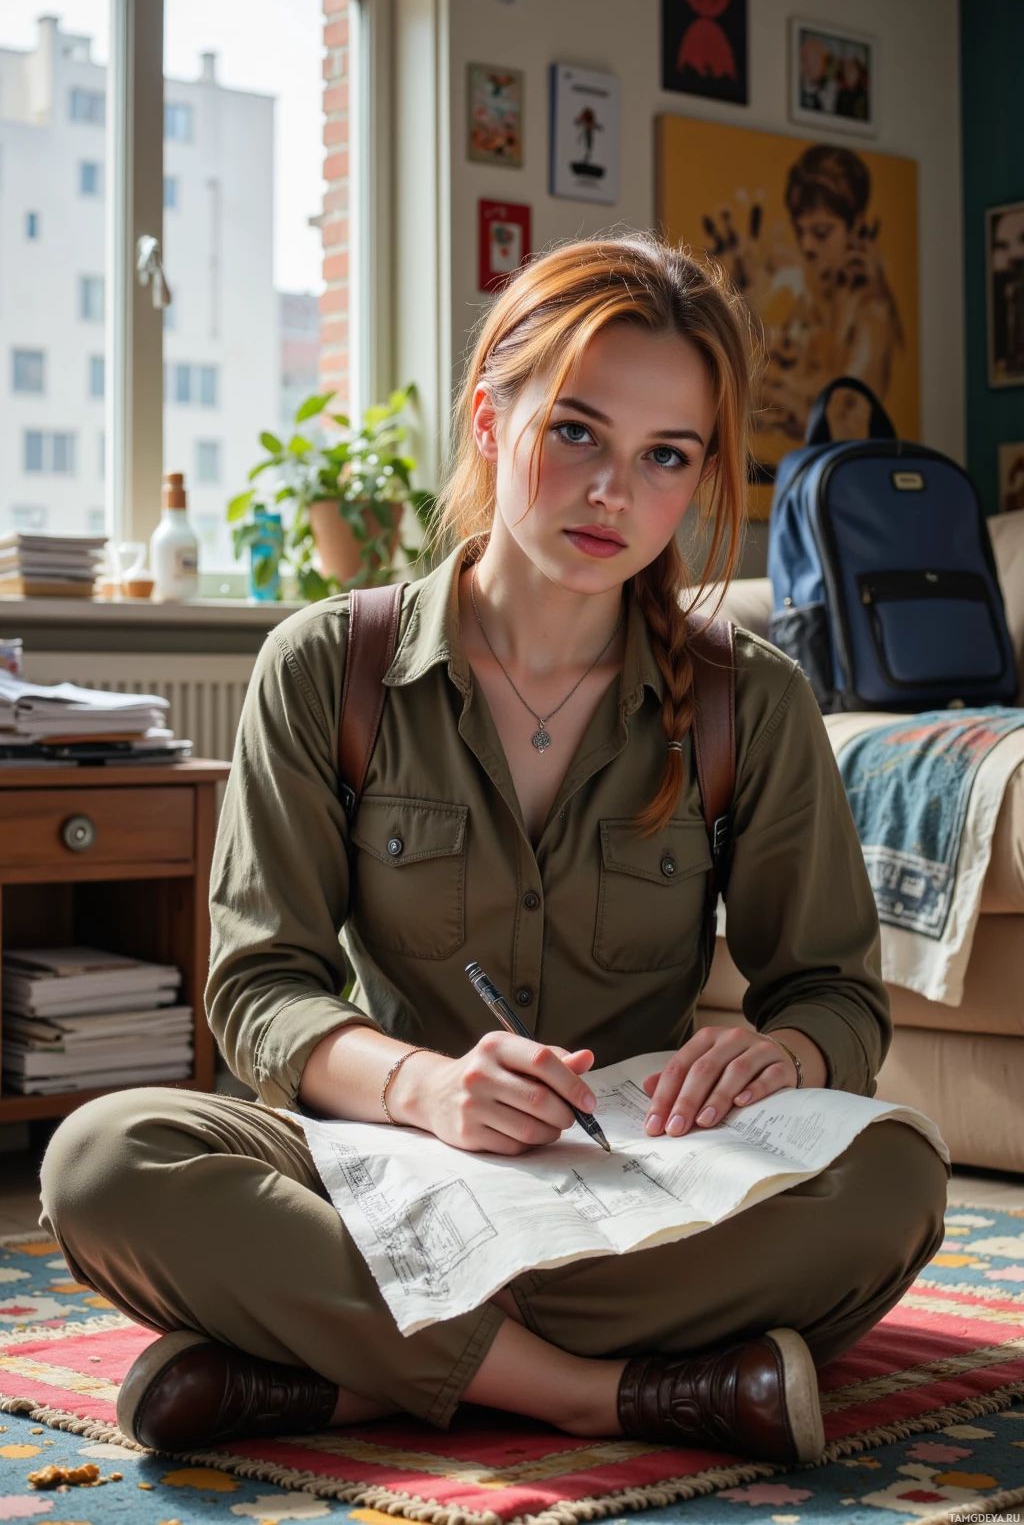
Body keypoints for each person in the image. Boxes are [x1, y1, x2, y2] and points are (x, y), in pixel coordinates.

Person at [38, 235, 947, 1465]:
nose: (612, 492)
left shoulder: (753, 703)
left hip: (636, 1193)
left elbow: (833, 997)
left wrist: (779, 1054)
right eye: (575, 431)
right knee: (104, 1160)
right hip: (380, 1165)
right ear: (487, 416)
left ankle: (343, 1365)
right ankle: (597, 1393)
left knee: (895, 1183)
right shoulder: (325, 668)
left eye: (665, 456)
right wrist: (424, 1088)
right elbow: (258, 993)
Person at [703, 146, 904, 442]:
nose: (807, 245)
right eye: (801, 231)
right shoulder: (813, 294)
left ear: (857, 226)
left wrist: (775, 396)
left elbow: (843, 425)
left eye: (821, 233)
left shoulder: (872, 312)